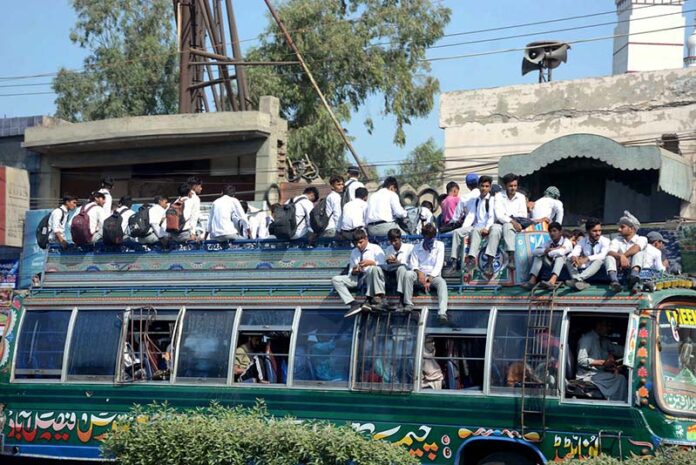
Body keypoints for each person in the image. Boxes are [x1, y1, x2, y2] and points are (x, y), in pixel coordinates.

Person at [331, 228, 387, 317]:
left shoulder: (375, 248)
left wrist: (371, 263)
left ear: (366, 239)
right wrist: (354, 271)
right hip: (359, 277)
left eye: (361, 242)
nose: (358, 245)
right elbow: (351, 271)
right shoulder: (354, 252)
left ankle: (375, 298)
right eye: (356, 243)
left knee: (373, 269)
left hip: (371, 277)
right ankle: (353, 303)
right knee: (336, 279)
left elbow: (383, 266)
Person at [450, 176, 497, 275]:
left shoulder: (492, 200)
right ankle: (454, 261)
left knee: (475, 230)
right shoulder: (476, 200)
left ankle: (471, 260)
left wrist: (487, 228)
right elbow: (471, 216)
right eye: (482, 186)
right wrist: (464, 229)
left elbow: (491, 217)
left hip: (485, 227)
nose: (484, 188)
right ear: (479, 186)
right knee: (457, 232)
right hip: (476, 226)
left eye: (486, 186)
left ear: (490, 188)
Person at [402, 224, 448, 323]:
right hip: (420, 276)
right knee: (408, 274)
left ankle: (442, 312)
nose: (431, 240)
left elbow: (438, 265)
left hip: (433, 276)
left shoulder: (440, 245)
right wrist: (419, 273)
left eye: (432, 238)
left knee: (442, 283)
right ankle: (408, 303)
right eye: (428, 238)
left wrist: (429, 279)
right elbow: (413, 265)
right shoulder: (416, 247)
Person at [576, 320, 627, 401]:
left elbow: (617, 350)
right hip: (587, 375)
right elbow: (581, 360)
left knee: (620, 375)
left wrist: (632, 350)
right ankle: (617, 404)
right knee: (621, 379)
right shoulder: (587, 338)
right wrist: (603, 363)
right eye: (607, 326)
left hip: (599, 373)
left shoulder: (603, 340)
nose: (609, 329)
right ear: (599, 326)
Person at [490, 173, 528, 270]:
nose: (513, 188)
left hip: (516, 224)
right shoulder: (499, 196)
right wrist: (512, 221)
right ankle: (489, 261)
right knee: (494, 229)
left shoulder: (521, 197)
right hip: (501, 223)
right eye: (510, 186)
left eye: (515, 185)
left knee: (507, 226)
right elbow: (499, 215)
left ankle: (511, 258)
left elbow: (523, 215)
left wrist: (512, 221)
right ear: (506, 186)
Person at [521, 221, 572, 290]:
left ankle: (552, 281)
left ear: (560, 232)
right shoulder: (548, 242)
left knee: (560, 257)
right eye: (550, 231)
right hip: (551, 265)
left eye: (554, 231)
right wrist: (546, 250)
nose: (552, 233)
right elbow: (535, 252)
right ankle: (532, 281)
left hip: (564, 267)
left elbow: (561, 252)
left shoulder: (567, 242)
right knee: (538, 256)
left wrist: (548, 251)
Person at [565, 218, 611, 291]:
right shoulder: (583, 241)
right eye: (595, 231)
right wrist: (574, 257)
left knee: (599, 260)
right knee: (568, 259)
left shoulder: (605, 241)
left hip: (600, 267)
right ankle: (581, 282)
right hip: (586, 268)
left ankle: (577, 279)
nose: (598, 233)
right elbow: (575, 252)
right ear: (588, 231)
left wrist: (587, 258)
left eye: (599, 230)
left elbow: (603, 255)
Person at [606, 210, 646, 293]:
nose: (619, 229)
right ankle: (614, 281)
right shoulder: (617, 240)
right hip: (621, 268)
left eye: (622, 227)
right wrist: (621, 257)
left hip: (636, 268)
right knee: (609, 257)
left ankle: (633, 277)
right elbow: (610, 252)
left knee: (638, 253)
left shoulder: (642, 239)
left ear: (631, 229)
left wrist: (623, 256)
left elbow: (636, 248)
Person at [382, 228, 414, 300]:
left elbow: (412, 265)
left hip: (404, 272)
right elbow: (384, 264)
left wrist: (398, 263)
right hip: (391, 273)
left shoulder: (409, 248)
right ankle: (380, 297)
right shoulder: (388, 249)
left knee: (401, 268)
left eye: (395, 241)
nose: (393, 243)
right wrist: (388, 262)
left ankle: (401, 295)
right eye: (391, 241)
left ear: (400, 239)